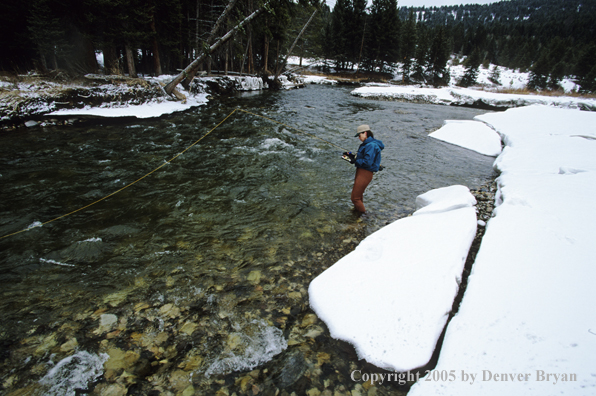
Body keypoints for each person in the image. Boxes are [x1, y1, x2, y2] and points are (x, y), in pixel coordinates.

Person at [343, 124, 385, 213]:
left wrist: (354, 160)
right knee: (359, 196)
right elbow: (365, 158)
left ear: (365, 133)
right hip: (362, 171)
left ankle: (363, 217)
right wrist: (351, 156)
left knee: (355, 198)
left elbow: (367, 162)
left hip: (365, 173)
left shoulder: (371, 145)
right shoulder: (367, 144)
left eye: (359, 135)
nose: (359, 137)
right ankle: (357, 212)